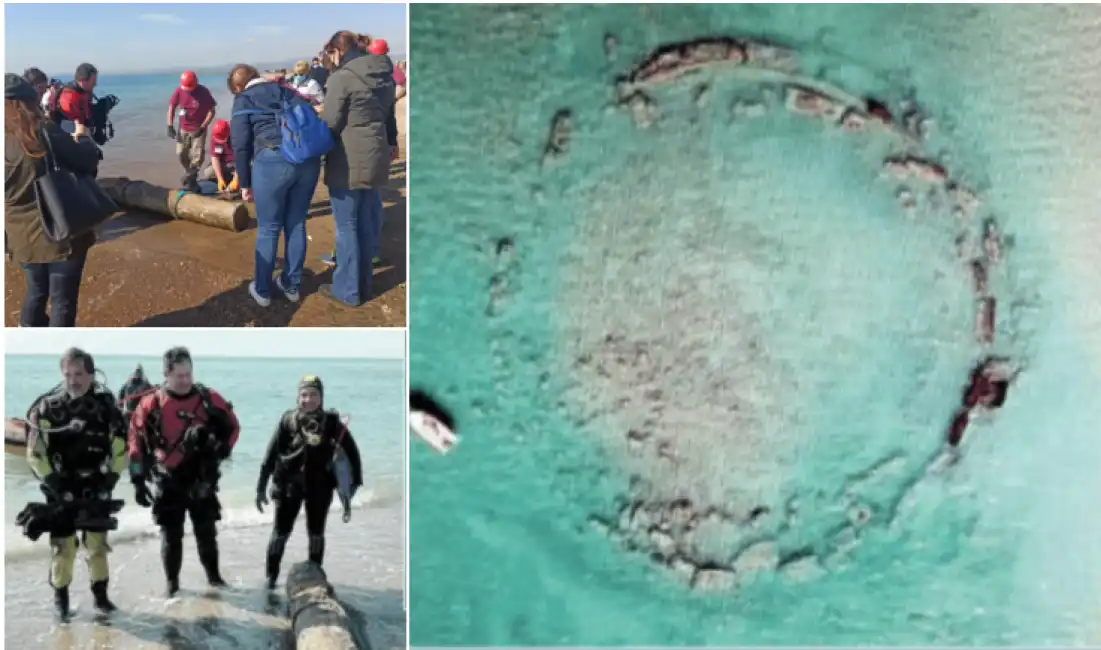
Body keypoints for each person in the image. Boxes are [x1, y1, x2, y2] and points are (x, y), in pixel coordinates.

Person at [21, 348, 128, 620]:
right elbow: (35, 454)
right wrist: (56, 484)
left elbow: (121, 450)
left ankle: (101, 600)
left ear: (91, 374)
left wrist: (109, 481)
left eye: (79, 374)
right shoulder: (47, 409)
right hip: (60, 489)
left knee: (97, 547)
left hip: (96, 486)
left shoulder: (107, 408)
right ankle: (61, 601)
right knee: (63, 548)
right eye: (68, 374)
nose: (73, 380)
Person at [127, 347, 240, 597]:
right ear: (166, 374)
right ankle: (173, 586)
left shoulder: (209, 399)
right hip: (168, 479)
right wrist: (137, 480)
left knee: (206, 532)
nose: (185, 380)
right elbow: (134, 441)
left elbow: (233, 426)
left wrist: (220, 451)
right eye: (179, 376)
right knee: (171, 535)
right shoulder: (151, 404)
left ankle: (215, 580)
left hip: (202, 477)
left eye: (188, 374)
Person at [4, 73, 103, 327]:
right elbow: (87, 159)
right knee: (62, 300)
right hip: (59, 230)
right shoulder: (41, 130)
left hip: (19, 236)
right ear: (28, 100)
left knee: (35, 291)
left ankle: (28, 340)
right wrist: (82, 135)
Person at [228, 64, 323, 307]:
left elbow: (240, 145)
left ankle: (262, 290)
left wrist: (245, 183)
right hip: (307, 158)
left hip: (272, 162)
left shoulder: (244, 99)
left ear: (238, 87)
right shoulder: (286, 89)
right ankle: (291, 285)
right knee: (297, 222)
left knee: (269, 228)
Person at [256, 375, 362, 589]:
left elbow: (353, 454)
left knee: (316, 533)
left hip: (319, 487)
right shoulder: (288, 420)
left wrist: (353, 485)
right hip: (288, 486)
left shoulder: (332, 423)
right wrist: (260, 487)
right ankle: (270, 580)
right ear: (298, 398)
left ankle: (314, 577)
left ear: (321, 398)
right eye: (304, 395)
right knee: (280, 533)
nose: (308, 399)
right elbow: (270, 455)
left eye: (314, 394)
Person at [318, 30, 398, 307]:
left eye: (331, 54)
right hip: (376, 154)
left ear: (338, 50)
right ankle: (363, 284)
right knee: (365, 223)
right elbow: (388, 116)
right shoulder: (384, 74)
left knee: (347, 227)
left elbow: (330, 124)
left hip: (348, 160)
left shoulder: (342, 78)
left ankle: (348, 290)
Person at [168, 71, 217, 192]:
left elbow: (212, 111)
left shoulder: (204, 92)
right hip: (183, 128)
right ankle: (189, 174)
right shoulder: (179, 91)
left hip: (198, 129)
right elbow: (171, 107)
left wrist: (202, 127)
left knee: (197, 156)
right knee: (181, 153)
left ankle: (192, 178)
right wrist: (169, 125)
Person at [47, 63, 98, 137]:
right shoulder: (69, 97)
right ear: (83, 81)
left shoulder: (85, 92)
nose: (95, 84)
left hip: (82, 130)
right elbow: (71, 125)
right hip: (68, 135)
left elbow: (87, 112)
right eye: (93, 81)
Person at [198, 119, 238, 194]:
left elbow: (243, 159)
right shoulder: (214, 137)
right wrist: (220, 178)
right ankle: (224, 180)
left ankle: (234, 180)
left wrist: (236, 178)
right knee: (208, 172)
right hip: (224, 163)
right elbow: (215, 158)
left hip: (237, 163)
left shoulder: (237, 135)